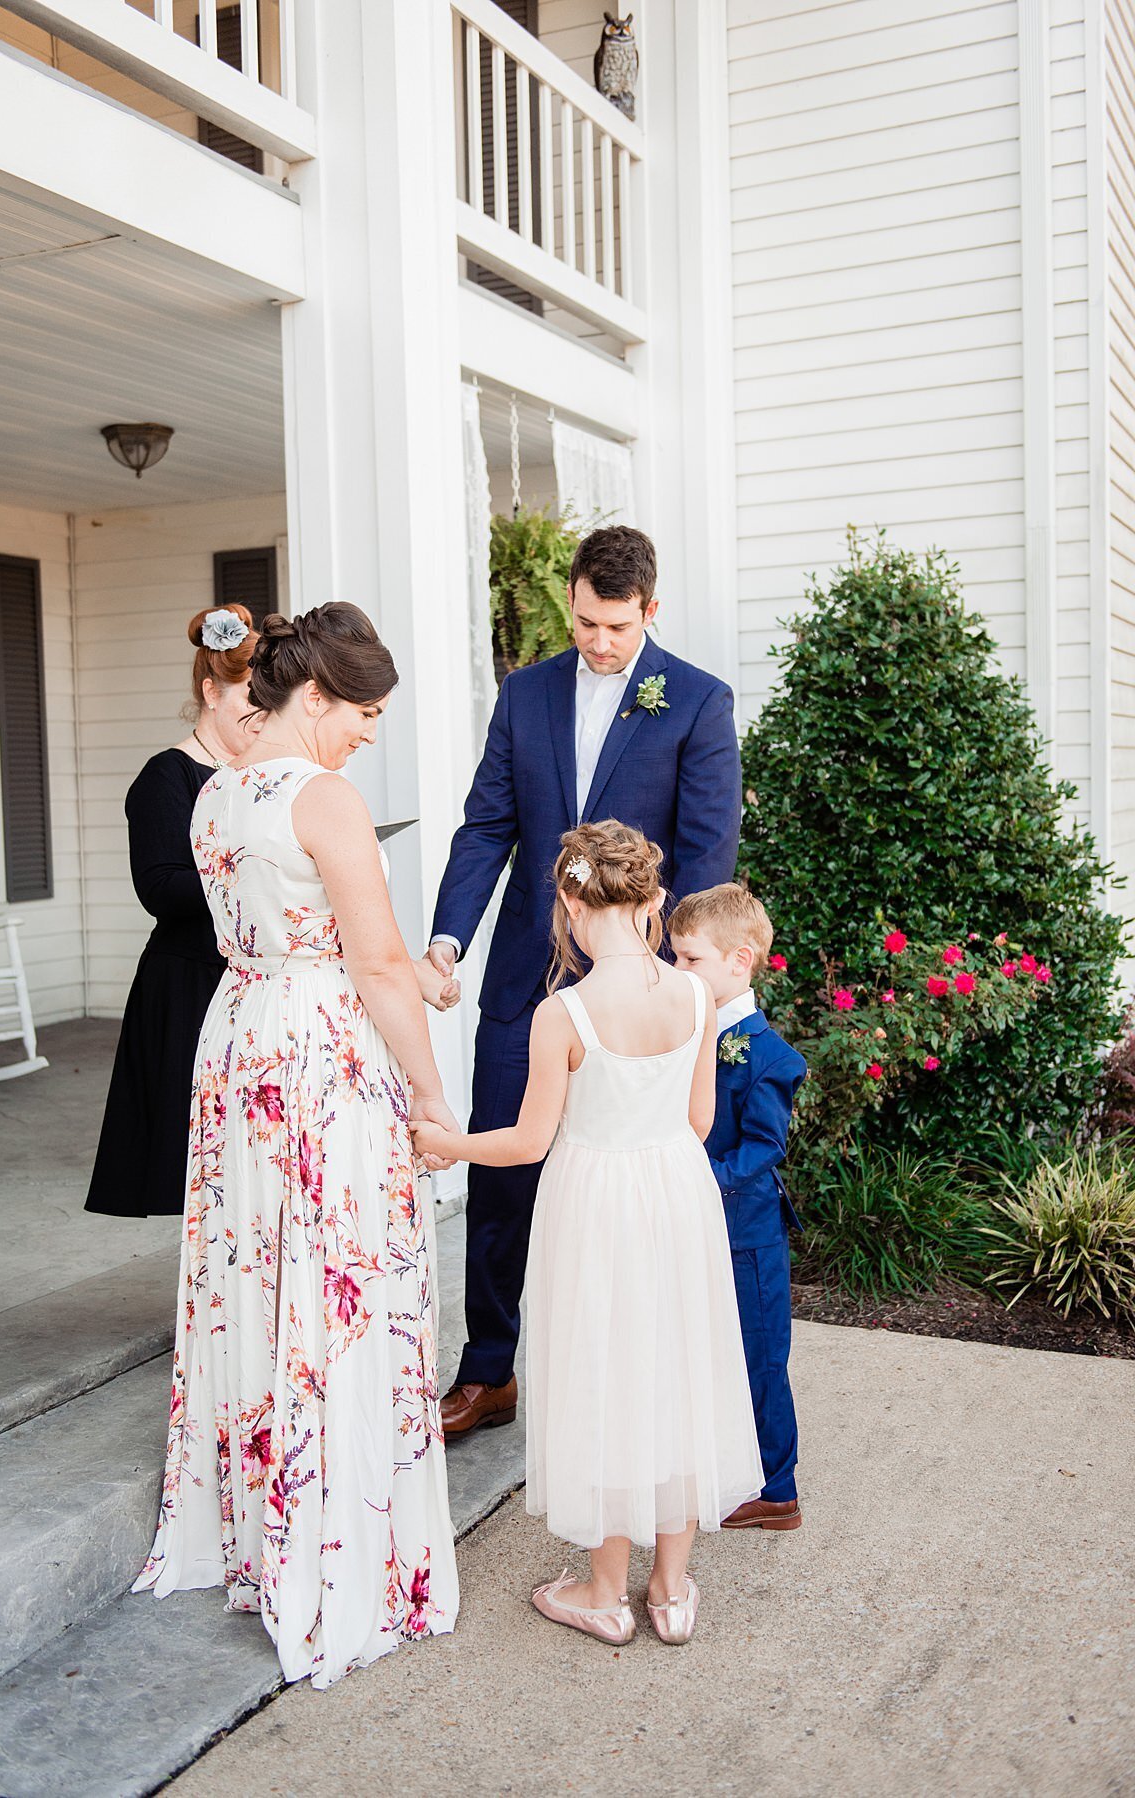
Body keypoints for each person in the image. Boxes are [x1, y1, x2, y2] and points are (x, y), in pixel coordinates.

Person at [134, 602, 460, 1686]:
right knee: (337, 1281)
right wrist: (428, 1092)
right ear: (314, 695)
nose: (370, 731)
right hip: (320, 1058)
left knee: (259, 1277)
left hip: (240, 1042)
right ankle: (334, 1546)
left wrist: (408, 968)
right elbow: (366, 964)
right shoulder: (324, 796)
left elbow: (296, 936)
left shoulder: (217, 790)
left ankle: (263, 1536)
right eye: (363, 711)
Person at [427, 525, 741, 1438]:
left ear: (651, 610)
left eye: (616, 626)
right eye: (586, 622)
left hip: (633, 986)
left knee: (625, 1180)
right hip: (525, 973)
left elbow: (708, 855)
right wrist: (449, 938)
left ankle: (618, 1386)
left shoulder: (696, 702)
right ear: (570, 599)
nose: (599, 643)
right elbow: (488, 827)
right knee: (502, 1169)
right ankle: (490, 1372)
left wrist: (667, 976)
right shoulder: (523, 695)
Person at [414, 822, 762, 1645]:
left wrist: (447, 1144)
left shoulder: (560, 1013)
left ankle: (606, 1595)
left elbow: (528, 1144)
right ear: (655, 900)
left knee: (607, 1373)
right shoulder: (695, 995)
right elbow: (701, 1119)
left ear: (568, 902)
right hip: (676, 1192)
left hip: (597, 1202)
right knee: (677, 1369)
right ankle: (672, 1593)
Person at [84, 605, 261, 1218]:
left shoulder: (255, 777)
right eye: (248, 699)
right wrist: (253, 868)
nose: (260, 716)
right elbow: (159, 887)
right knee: (200, 1167)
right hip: (188, 981)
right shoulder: (165, 776)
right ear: (211, 692)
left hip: (250, 979)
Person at [670, 884, 807, 1530]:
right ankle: (722, 1464)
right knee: (706, 1350)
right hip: (696, 1227)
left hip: (746, 1234)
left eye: (690, 960)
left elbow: (763, 1148)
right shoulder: (682, 1034)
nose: (678, 972)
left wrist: (699, 1178)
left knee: (759, 1356)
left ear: (739, 962)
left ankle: (777, 1488)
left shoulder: (769, 1058)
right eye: (674, 958)